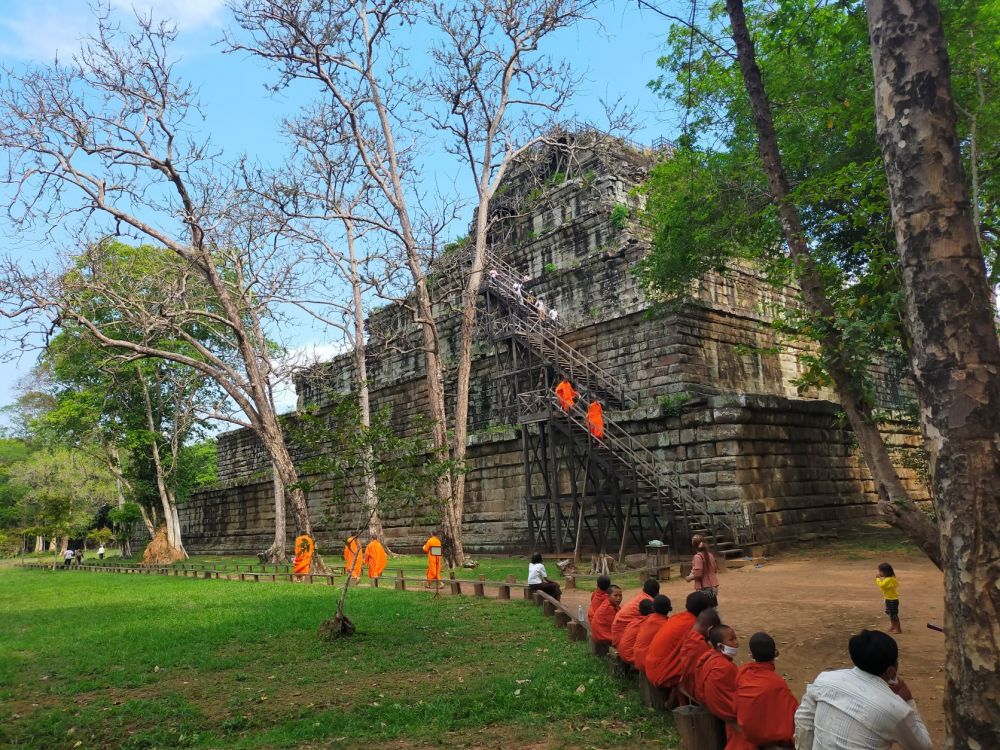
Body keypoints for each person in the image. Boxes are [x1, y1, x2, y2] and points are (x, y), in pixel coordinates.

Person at [794, 629, 932, 750]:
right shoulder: (897, 709)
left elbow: (803, 719)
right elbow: (923, 747)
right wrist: (908, 701)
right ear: (891, 671)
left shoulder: (825, 680)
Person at [692, 624, 752, 750]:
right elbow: (734, 698)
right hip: (723, 711)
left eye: (735, 638)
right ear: (719, 646)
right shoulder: (724, 667)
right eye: (731, 640)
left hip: (708, 704)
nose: (736, 643)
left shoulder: (709, 656)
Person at [735, 632, 798, 749]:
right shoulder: (777, 683)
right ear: (776, 653)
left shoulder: (742, 673)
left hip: (745, 733)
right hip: (767, 739)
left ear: (751, 655)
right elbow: (793, 714)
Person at [644, 590, 714, 687]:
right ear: (705, 610)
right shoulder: (694, 626)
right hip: (660, 674)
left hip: (650, 667)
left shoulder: (677, 617)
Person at [676, 607, 723, 699]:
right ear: (710, 630)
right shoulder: (702, 647)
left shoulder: (688, 635)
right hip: (695, 689)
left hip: (684, 682)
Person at [612, 578, 660, 648]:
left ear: (644, 589)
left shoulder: (640, 596)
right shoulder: (649, 603)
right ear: (657, 592)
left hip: (617, 636)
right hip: (623, 641)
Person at [634, 594, 672, 673]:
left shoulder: (647, 619)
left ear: (653, 608)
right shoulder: (665, 624)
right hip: (647, 664)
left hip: (637, 660)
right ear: (669, 610)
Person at [619, 598, 654, 665]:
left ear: (639, 611)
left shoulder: (634, 620)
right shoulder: (648, 623)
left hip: (622, 653)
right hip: (630, 656)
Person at [686, 533, 720, 598]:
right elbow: (715, 570)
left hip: (704, 588)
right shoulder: (710, 555)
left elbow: (699, 574)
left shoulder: (697, 557)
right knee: (712, 607)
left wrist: (689, 578)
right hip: (714, 587)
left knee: (704, 607)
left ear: (694, 546)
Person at [876, 562, 901, 633]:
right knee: (890, 613)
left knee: (894, 614)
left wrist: (877, 579)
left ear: (885, 572)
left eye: (880, 571)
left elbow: (882, 585)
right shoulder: (891, 578)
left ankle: (898, 629)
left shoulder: (888, 580)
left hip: (892, 600)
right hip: (889, 599)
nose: (879, 573)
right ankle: (893, 626)